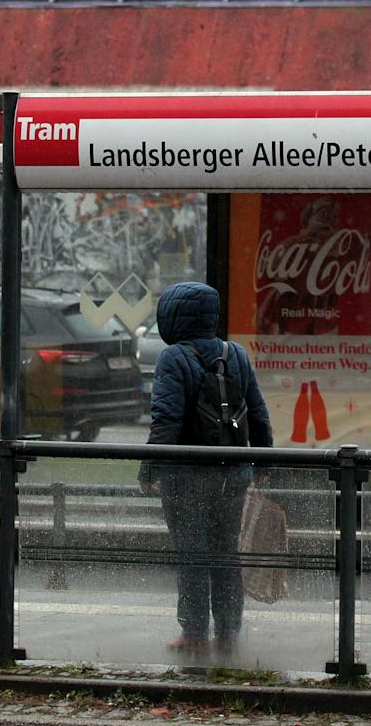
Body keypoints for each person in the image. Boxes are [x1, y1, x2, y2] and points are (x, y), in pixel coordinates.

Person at [138, 280, 273, 654]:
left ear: (175, 316)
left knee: (192, 554)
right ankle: (229, 630)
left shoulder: (173, 358)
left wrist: (149, 468)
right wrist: (262, 461)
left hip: (187, 476)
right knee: (226, 554)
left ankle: (194, 631)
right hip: (235, 473)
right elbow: (258, 412)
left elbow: (166, 420)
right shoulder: (236, 354)